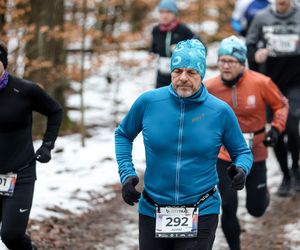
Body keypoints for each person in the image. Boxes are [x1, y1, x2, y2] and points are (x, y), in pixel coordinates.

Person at [115, 39, 253, 250]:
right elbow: (123, 134)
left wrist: (242, 168)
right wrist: (126, 174)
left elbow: (242, 151)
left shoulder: (220, 111)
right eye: (177, 71)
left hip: (201, 208)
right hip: (153, 209)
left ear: (202, 74)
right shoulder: (149, 102)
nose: (183, 78)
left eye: (191, 72)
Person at [205, 35, 288, 250]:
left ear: (242, 63)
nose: (225, 65)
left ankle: (263, 195)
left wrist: (277, 129)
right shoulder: (210, 87)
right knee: (228, 205)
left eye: (230, 61)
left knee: (256, 209)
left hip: (255, 153)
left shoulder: (261, 82)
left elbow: (281, 105)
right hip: (224, 155)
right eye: (222, 60)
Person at [0, 40, 62, 249]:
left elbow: (55, 111)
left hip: (20, 173)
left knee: (11, 235)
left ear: (4, 64)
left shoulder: (24, 90)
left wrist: (47, 145)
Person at [246, 0, 300, 196]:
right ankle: (286, 176)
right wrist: (256, 55)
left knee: (292, 125)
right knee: (276, 132)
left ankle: (296, 167)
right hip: (271, 83)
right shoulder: (262, 17)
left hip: (296, 82)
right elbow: (249, 45)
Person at [150, 0, 198, 88]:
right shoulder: (156, 30)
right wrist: (151, 54)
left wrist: (182, 48)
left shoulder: (183, 29)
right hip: (161, 74)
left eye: (168, 12)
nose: (165, 15)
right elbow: (153, 47)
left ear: (174, 14)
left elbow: (199, 46)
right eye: (162, 12)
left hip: (181, 75)